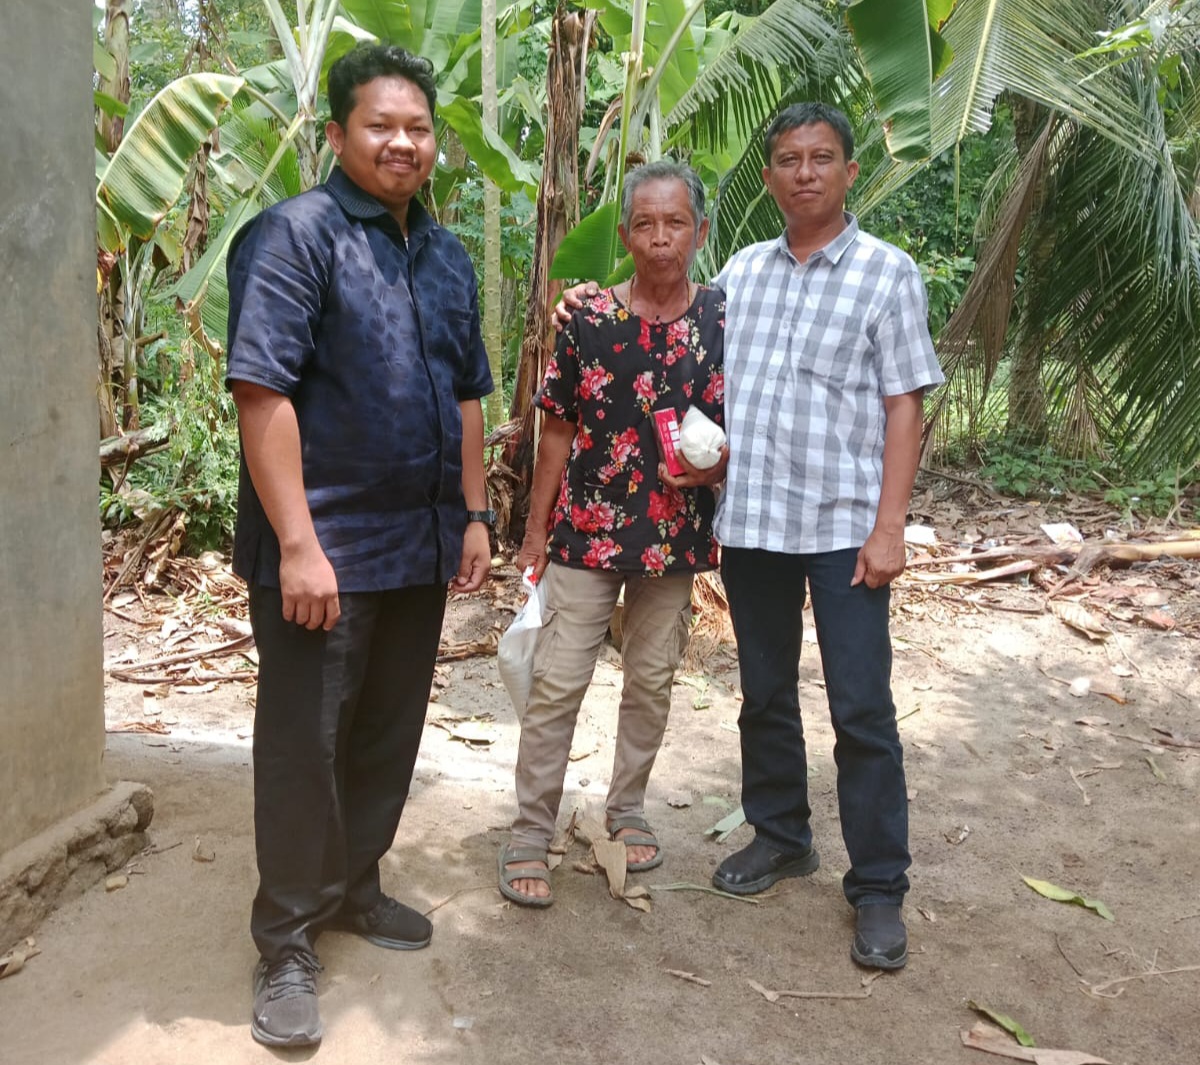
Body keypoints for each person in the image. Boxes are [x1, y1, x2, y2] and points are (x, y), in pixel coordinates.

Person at [557, 103, 943, 969]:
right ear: (767, 178)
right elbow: (668, 324)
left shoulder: (887, 273)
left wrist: (891, 526)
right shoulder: (741, 273)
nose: (805, 172)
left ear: (849, 172)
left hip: (844, 527)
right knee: (764, 693)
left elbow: (904, 405)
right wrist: (587, 301)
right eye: (788, 160)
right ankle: (781, 834)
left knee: (861, 707)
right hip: (755, 520)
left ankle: (879, 886)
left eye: (822, 157)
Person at [225, 44, 493, 1047]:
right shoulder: (295, 237)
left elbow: (468, 393)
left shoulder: (447, 254)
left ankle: (353, 885)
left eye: (418, 127)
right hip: (325, 550)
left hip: (419, 543)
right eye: (381, 125)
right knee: (306, 742)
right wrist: (298, 544)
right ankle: (287, 940)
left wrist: (473, 514)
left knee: (387, 730)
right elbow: (263, 391)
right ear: (337, 134)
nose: (402, 142)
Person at [498, 160, 727, 908]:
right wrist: (535, 531)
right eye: (646, 224)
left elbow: (743, 424)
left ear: (699, 231)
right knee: (558, 682)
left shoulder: (722, 320)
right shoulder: (588, 319)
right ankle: (530, 828)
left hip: (673, 537)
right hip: (586, 532)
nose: (661, 239)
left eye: (676, 223)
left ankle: (627, 809)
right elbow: (557, 430)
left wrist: (719, 465)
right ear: (624, 235)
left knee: (652, 680)